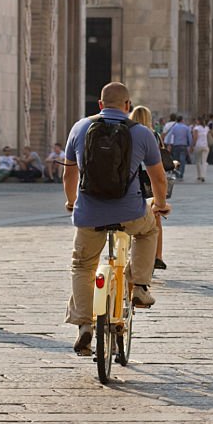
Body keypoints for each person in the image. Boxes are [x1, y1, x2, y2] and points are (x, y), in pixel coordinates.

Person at [62, 82, 171, 356]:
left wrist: (72, 201)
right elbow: (158, 177)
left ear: (100, 105)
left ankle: (85, 325)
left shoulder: (80, 127)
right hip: (130, 212)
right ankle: (140, 285)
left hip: (89, 213)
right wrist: (160, 204)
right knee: (149, 231)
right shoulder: (142, 133)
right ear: (127, 106)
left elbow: (69, 175)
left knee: (82, 265)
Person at [131, 105, 169, 271]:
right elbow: (159, 166)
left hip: (129, 182)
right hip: (147, 182)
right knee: (156, 216)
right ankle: (157, 256)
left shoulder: (125, 133)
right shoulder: (152, 135)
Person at [165, 115, 192, 180]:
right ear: (182, 120)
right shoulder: (186, 128)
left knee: (176, 160)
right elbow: (189, 137)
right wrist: (190, 145)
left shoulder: (174, 127)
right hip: (183, 146)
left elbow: (169, 136)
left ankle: (177, 173)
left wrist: (169, 144)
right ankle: (181, 174)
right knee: (182, 161)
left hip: (176, 146)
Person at [191, 116, 210, 183]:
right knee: (204, 162)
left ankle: (199, 175)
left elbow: (195, 137)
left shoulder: (196, 128)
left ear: (198, 121)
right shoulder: (207, 128)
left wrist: (192, 146)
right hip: (205, 146)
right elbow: (207, 137)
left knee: (198, 161)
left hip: (198, 146)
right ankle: (203, 176)